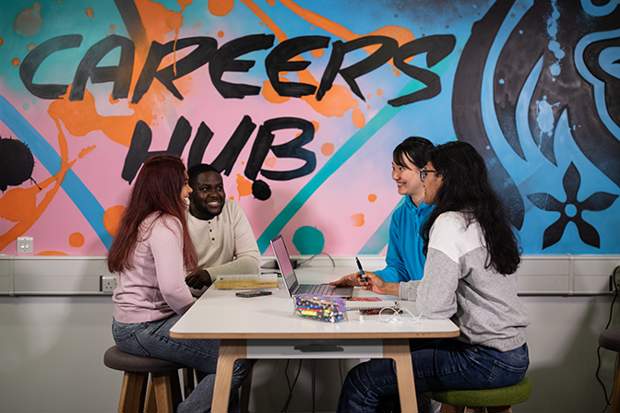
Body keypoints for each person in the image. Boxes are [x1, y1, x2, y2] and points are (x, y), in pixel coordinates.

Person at [336, 141, 529, 413]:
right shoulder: (483, 218)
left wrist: (414, 294)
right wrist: (390, 287)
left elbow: (436, 306)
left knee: (364, 380)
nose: (423, 180)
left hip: (484, 359)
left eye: (426, 173)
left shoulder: (449, 223)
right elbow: (438, 290)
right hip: (514, 354)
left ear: (445, 178)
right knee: (393, 372)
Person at [108, 155, 248, 413]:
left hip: (129, 326)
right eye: (185, 183)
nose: (189, 190)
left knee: (228, 353)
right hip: (145, 328)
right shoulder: (166, 224)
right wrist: (199, 318)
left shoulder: (141, 219)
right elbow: (172, 289)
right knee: (235, 361)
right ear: (168, 186)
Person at [331, 137, 434, 287]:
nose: (395, 176)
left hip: (441, 305)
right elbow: (400, 270)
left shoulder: (445, 215)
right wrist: (369, 277)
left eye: (402, 169)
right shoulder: (400, 216)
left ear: (424, 171)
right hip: (416, 301)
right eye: (393, 168)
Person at [184, 164, 260, 292]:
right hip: (189, 301)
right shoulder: (177, 218)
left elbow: (252, 264)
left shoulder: (231, 209)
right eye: (204, 189)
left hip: (224, 293)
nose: (214, 194)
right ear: (189, 192)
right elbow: (175, 281)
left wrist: (209, 274)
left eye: (219, 188)